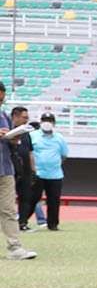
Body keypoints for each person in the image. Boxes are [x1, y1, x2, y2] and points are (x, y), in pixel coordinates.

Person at [0, 87, 33, 260]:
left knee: (9, 210)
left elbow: (11, 142)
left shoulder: (4, 116)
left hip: (5, 169)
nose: (1, 102)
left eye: (2, 99)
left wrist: (13, 138)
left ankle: (15, 247)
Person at [29, 112, 67, 231]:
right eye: (45, 120)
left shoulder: (59, 137)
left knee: (54, 200)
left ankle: (53, 224)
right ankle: (23, 221)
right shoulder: (32, 135)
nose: (47, 123)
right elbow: (29, 152)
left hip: (55, 175)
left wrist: (54, 164)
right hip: (37, 174)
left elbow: (64, 155)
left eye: (50, 120)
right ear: (40, 122)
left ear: (54, 123)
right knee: (32, 199)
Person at [7, 104, 34, 232]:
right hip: (11, 169)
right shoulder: (7, 130)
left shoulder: (26, 133)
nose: (26, 120)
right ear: (15, 117)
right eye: (24, 117)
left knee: (26, 197)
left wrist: (33, 170)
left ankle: (22, 223)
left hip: (26, 170)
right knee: (7, 199)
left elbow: (29, 152)